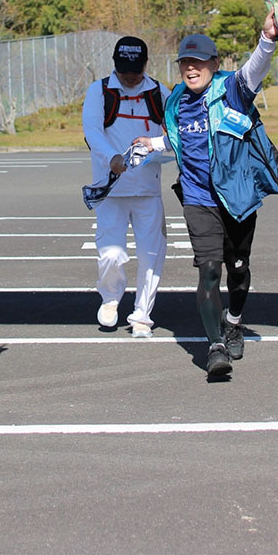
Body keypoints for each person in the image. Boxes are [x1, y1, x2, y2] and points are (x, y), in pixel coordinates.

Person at [134, 10, 278, 378]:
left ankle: (234, 321)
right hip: (198, 198)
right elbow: (181, 139)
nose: (191, 68)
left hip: (236, 197)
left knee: (238, 269)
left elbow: (254, 70)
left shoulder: (231, 90)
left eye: (198, 62)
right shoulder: (176, 102)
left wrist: (267, 40)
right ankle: (215, 345)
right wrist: (153, 143)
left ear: (214, 64)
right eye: (185, 62)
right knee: (209, 269)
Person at [81, 36, 170, 337]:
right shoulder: (99, 91)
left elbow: (177, 134)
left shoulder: (160, 93)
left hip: (148, 190)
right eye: (123, 70)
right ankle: (110, 298)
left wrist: (158, 145)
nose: (129, 76)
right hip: (111, 189)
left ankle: (142, 315)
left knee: (151, 255)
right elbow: (92, 131)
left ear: (145, 65)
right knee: (110, 254)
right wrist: (112, 158)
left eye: (135, 70)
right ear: (114, 65)